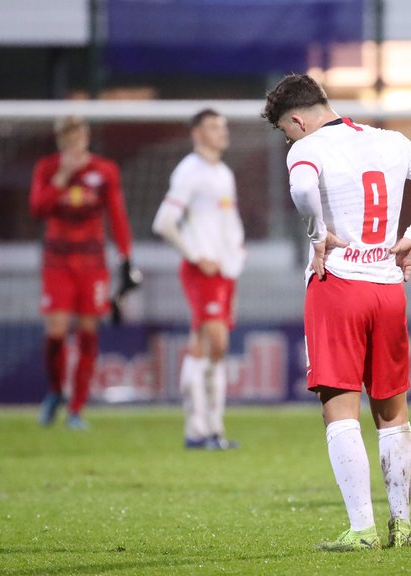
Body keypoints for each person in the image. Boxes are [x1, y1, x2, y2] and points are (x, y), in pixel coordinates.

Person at [262, 74, 411, 551]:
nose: (289, 139)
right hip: (388, 288)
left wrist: (316, 236)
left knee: (340, 410)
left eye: (285, 131)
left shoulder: (307, 149)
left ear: (296, 119)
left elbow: (304, 192)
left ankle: (362, 530)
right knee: (392, 410)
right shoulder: (388, 140)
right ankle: (404, 526)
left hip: (339, 285)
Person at [30, 116, 134, 430]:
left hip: (92, 262)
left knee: (89, 332)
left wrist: (125, 256)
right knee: (56, 333)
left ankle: (76, 408)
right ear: (59, 139)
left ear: (86, 136)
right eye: (67, 135)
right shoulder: (47, 169)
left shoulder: (104, 170)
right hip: (57, 261)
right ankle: (55, 391)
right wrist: (62, 176)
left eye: (78, 134)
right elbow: (38, 209)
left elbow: (117, 215)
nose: (74, 140)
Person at [153, 108, 246, 451]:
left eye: (223, 125)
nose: (222, 131)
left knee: (209, 348)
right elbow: (164, 222)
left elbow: (228, 219)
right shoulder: (189, 172)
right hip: (202, 271)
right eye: (213, 126)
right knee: (216, 344)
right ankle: (199, 429)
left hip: (224, 270)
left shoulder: (222, 172)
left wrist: (236, 249)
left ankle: (209, 431)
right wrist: (196, 255)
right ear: (197, 133)